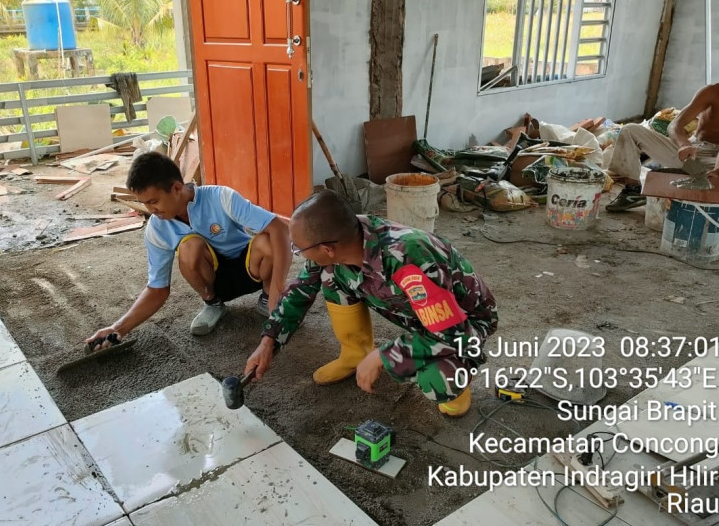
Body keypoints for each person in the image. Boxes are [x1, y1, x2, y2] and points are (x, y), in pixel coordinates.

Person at [243, 190, 498, 417]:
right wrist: (269, 342)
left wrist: (382, 356)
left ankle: (457, 388)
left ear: (327, 247)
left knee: (438, 379)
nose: (298, 253)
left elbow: (450, 333)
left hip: (464, 324)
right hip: (420, 315)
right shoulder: (342, 237)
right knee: (330, 275)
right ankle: (354, 354)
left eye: (299, 249)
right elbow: (300, 290)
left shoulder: (408, 258)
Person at [86, 152, 292, 346]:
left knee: (266, 241)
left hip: (253, 271)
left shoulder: (221, 197)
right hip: (215, 281)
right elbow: (157, 288)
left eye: (154, 201)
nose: (151, 210)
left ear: (176, 188)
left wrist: (277, 290)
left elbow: (279, 229)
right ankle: (213, 304)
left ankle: (267, 298)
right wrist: (118, 328)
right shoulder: (156, 229)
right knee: (189, 247)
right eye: (145, 204)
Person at [606, 82, 719, 211]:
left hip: (718, 159)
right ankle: (632, 191)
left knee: (713, 182)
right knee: (630, 130)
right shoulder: (712, 92)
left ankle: (690, 178)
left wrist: (718, 169)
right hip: (694, 149)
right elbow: (674, 125)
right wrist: (684, 145)